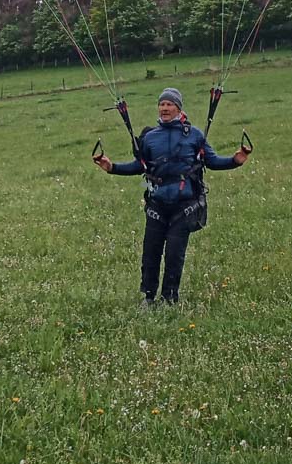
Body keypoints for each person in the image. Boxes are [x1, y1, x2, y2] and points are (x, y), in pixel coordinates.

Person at [93, 87, 249, 304]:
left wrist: (235, 161)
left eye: (169, 104)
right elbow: (140, 166)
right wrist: (112, 168)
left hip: (184, 205)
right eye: (162, 104)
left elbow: (212, 161)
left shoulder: (194, 135)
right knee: (151, 253)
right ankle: (148, 297)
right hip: (157, 204)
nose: (164, 108)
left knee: (175, 254)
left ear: (178, 108)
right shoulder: (150, 138)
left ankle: (169, 298)